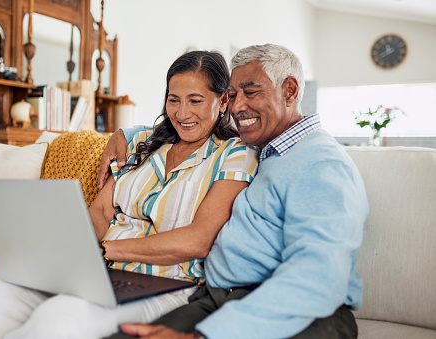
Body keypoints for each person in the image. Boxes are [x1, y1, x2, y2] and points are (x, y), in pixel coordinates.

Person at [0, 51, 258, 339]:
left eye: (195, 101)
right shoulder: (143, 141)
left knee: (55, 326)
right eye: (174, 99)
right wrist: (70, 252)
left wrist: (104, 250)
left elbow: (198, 240)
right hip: (94, 268)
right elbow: (101, 213)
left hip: (165, 283)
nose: (182, 113)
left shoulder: (234, 154)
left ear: (223, 100)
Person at [99, 43, 369, 339]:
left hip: (298, 313)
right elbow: (183, 127)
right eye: (233, 95)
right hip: (217, 298)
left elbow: (317, 278)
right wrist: (124, 134)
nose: (238, 107)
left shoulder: (320, 163)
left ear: (290, 91)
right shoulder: (265, 149)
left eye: (251, 92)